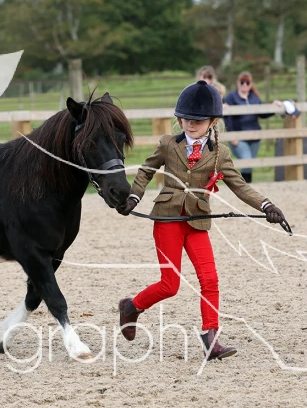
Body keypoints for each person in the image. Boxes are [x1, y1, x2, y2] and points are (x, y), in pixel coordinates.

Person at [117, 80, 286, 361]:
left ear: (212, 121)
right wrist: (135, 196)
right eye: (185, 119)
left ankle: (211, 339)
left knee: (210, 279)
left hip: (197, 221)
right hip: (168, 219)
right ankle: (131, 307)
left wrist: (266, 205)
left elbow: (240, 186)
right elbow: (146, 170)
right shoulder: (168, 144)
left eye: (197, 120)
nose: (190, 124)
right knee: (170, 285)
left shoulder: (220, 153)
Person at [222, 71, 282, 183]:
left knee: (249, 164)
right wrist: (232, 135)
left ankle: (247, 187)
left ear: (251, 84)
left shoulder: (254, 98)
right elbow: (227, 117)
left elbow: (262, 113)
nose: (244, 84)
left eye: (247, 82)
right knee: (247, 161)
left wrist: (274, 107)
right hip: (239, 137)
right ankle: (244, 187)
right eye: (242, 82)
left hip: (255, 137)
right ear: (238, 83)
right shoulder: (231, 97)